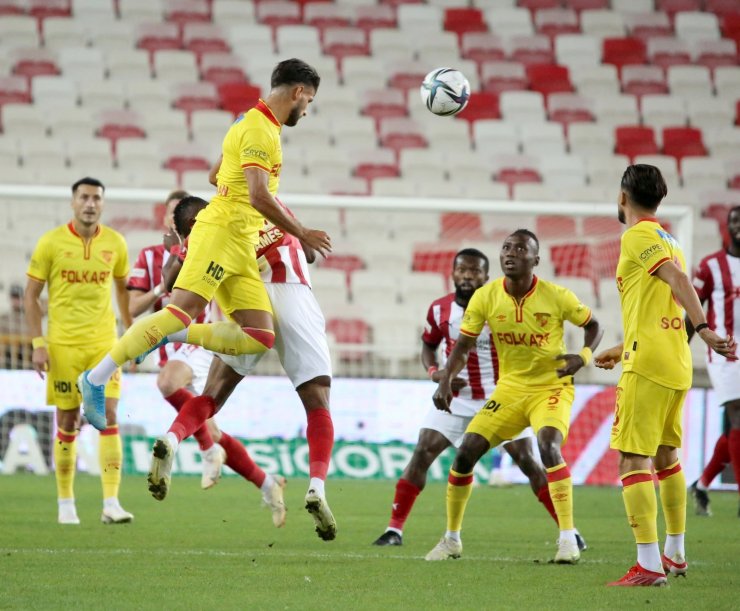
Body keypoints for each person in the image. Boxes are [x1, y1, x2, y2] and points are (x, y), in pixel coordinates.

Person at [78, 58, 332, 436]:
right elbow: (261, 197)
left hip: (240, 244)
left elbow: (215, 175)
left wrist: (236, 195)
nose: (307, 110)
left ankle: (161, 332)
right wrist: (302, 232)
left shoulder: (248, 122)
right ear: (297, 92)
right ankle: (96, 379)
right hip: (220, 234)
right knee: (182, 312)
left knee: (259, 337)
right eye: (308, 100)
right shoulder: (261, 131)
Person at [372, 248, 586, 551]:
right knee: (422, 453)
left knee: (528, 461)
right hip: (456, 399)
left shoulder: (499, 304)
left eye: (474, 271)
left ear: (487, 276)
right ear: (452, 273)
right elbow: (428, 346)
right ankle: (394, 529)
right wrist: (437, 374)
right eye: (461, 270)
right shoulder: (439, 310)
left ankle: (570, 531)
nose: (467, 276)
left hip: (501, 397)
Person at [156, 190, 335, 540]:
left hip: (249, 306)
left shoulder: (209, 234)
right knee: (318, 402)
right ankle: (317, 487)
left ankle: (173, 438)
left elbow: (169, 285)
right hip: (293, 292)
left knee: (213, 396)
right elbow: (311, 254)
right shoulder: (268, 202)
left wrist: (178, 247)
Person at [593, 165, 736, 586]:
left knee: (632, 459)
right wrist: (622, 348)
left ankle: (648, 565)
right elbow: (662, 305)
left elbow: (676, 282)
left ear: (623, 197)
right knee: (666, 457)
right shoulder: (669, 240)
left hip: (652, 364)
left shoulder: (637, 235)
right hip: (674, 360)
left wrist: (706, 327)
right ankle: (675, 553)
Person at [424, 229, 603, 564]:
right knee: (465, 454)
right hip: (508, 390)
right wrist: (445, 378)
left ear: (535, 260)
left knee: (548, 446)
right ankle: (451, 540)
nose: (511, 253)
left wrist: (583, 357)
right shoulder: (485, 297)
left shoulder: (557, 295)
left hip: (551, 387)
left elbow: (594, 326)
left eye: (520, 249)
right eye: (506, 247)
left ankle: (567, 540)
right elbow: (461, 348)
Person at [24, 177, 134, 525]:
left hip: (103, 346)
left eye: (96, 198)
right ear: (73, 202)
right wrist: (38, 344)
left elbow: (123, 292)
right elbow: (30, 296)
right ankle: (66, 502)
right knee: (68, 421)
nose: (90, 203)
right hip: (63, 345)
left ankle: (111, 502)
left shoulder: (115, 243)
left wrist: (131, 334)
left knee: (109, 416)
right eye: (84, 197)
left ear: (103, 203)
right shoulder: (51, 243)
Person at [126, 189, 225, 489]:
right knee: (211, 429)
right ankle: (266, 482)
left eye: (180, 212)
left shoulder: (204, 248)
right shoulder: (148, 256)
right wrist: (156, 291)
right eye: (171, 211)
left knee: (168, 383)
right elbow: (132, 308)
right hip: (168, 343)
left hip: (198, 338)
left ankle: (198, 451)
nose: (174, 217)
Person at [688, 205, 740, 517]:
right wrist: (681, 344)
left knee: (737, 427)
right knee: (738, 418)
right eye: (734, 221)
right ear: (727, 227)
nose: (739, 226)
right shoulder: (710, 266)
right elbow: (692, 307)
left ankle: (703, 484)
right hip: (724, 351)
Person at [0, 284, 31, 369]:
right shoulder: (4, 318)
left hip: (25, 356)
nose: (16, 300)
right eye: (14, 297)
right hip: (8, 356)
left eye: (18, 297)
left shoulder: (29, 318)